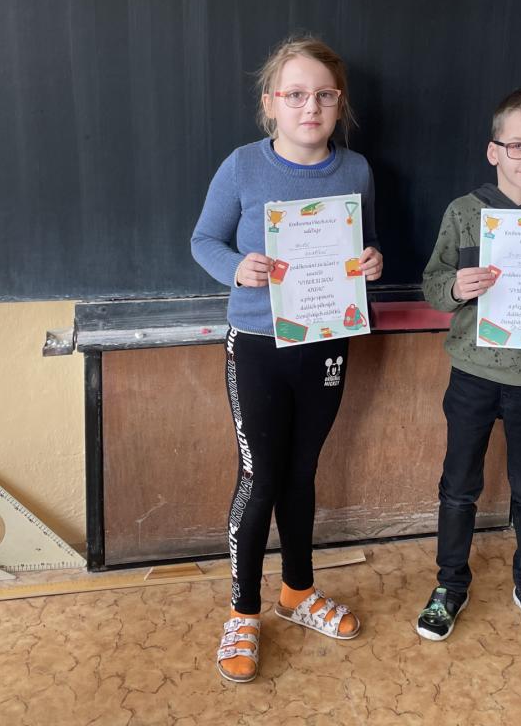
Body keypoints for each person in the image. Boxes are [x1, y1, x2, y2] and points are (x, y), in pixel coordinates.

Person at [190, 36, 383, 683]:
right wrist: (235, 268)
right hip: (257, 345)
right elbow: (204, 240)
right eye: (296, 94)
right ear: (271, 103)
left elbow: (363, 245)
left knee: (302, 473)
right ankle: (243, 611)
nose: (311, 107)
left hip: (326, 341)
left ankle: (298, 592)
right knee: (261, 477)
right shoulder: (243, 166)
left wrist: (373, 262)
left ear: (339, 103)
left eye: (324, 95)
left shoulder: (356, 171)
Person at [415, 89, 521, 644]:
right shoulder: (464, 212)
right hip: (471, 372)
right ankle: (450, 584)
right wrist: (456, 288)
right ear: (494, 151)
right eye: (517, 145)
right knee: (458, 486)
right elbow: (433, 287)